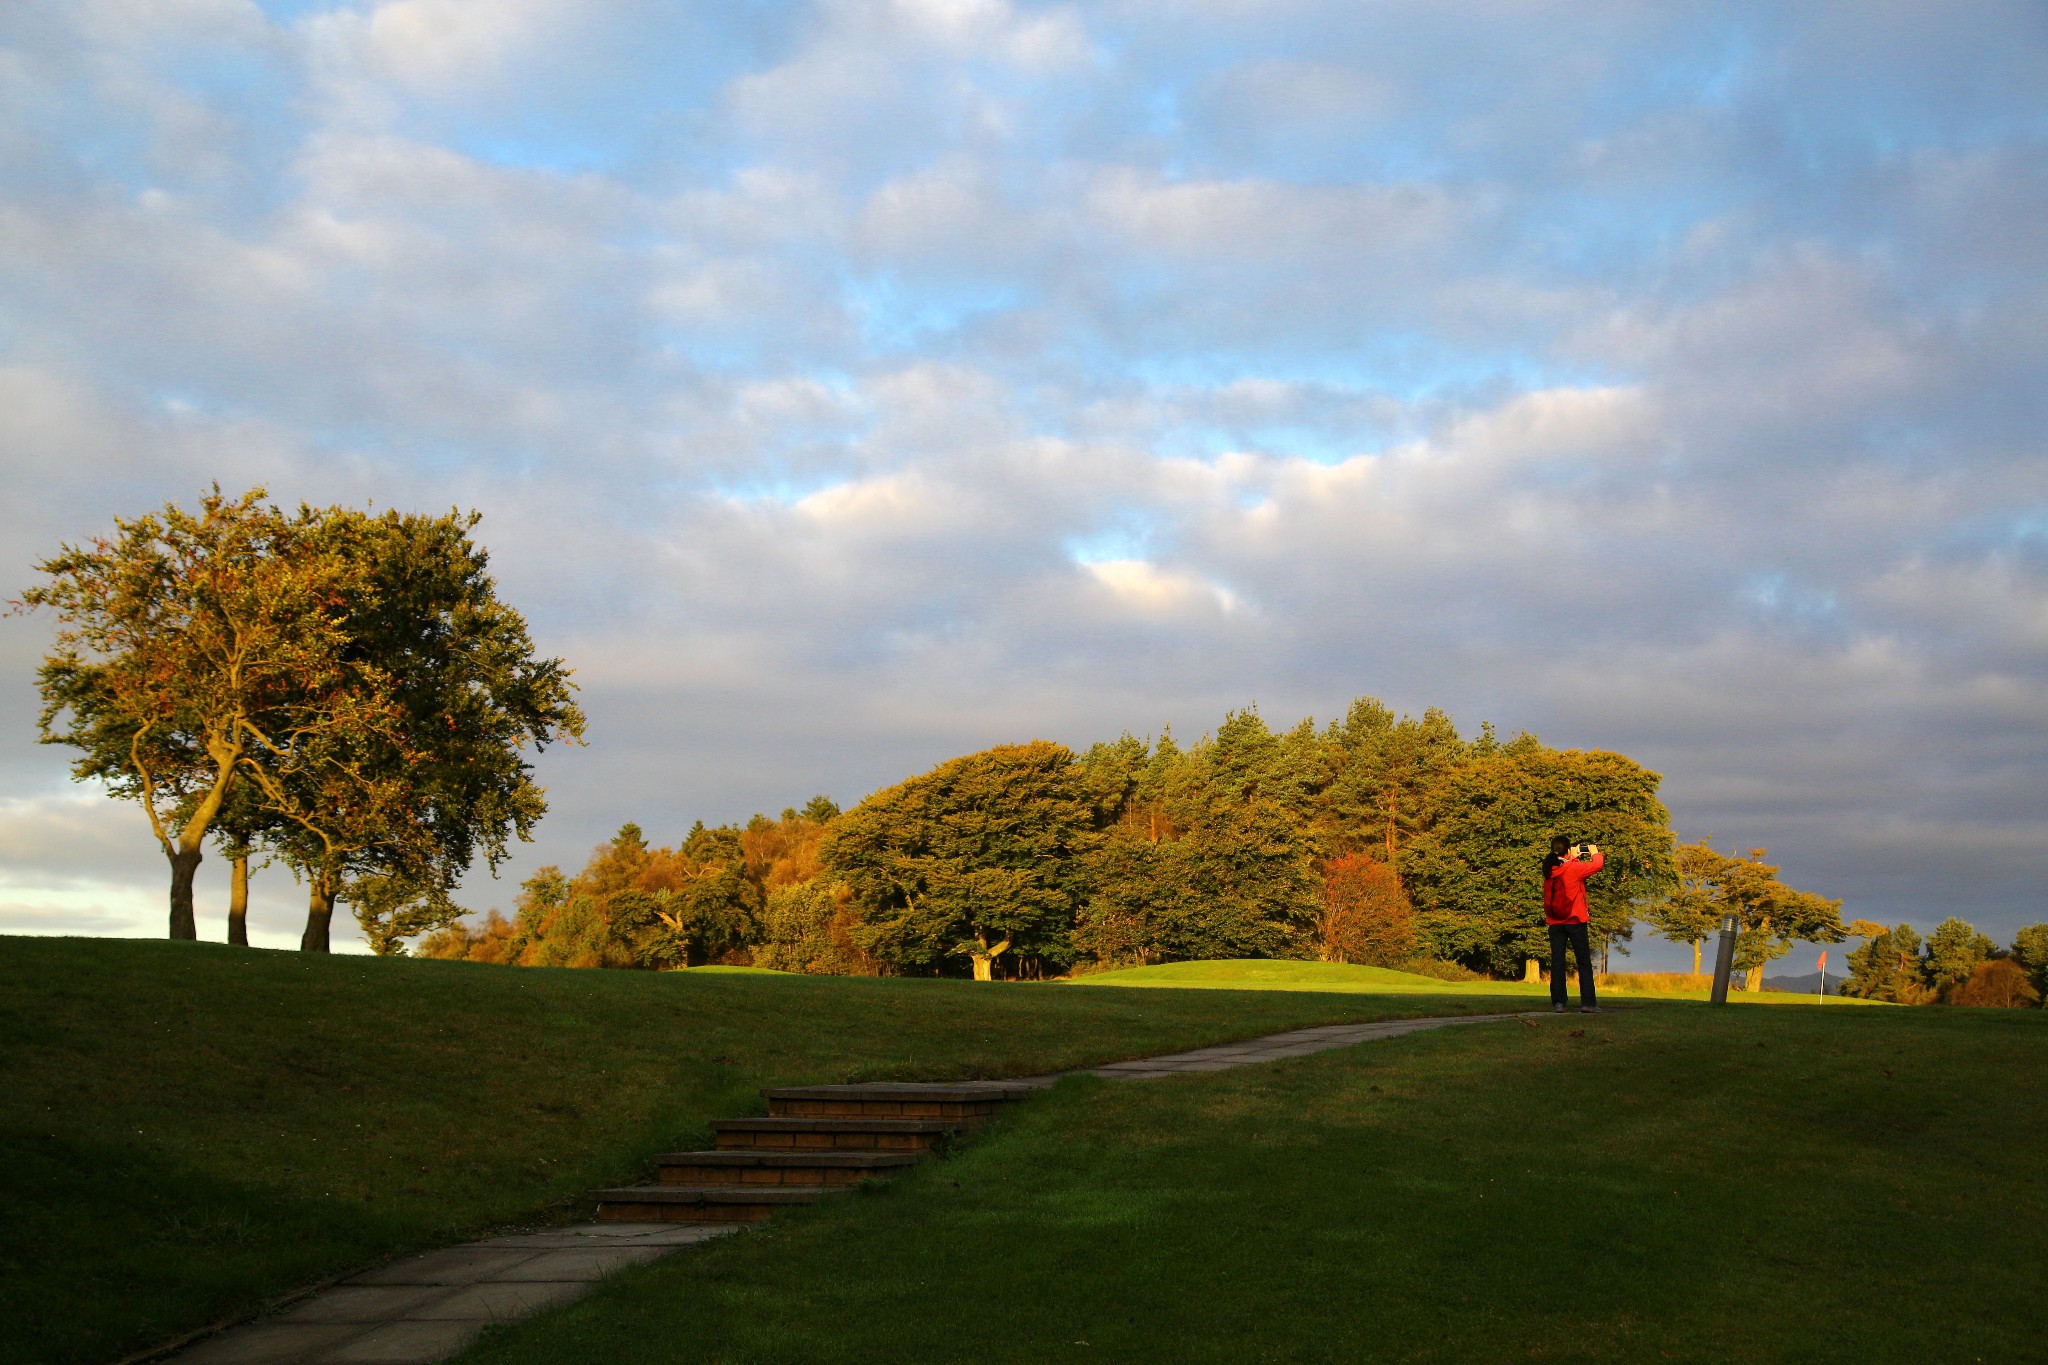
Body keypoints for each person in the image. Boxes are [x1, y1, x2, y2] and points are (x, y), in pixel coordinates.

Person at [1542, 835, 1603, 1013]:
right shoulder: (1574, 868)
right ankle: (1588, 1003)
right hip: (1575, 919)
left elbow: (1563, 867)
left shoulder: (1549, 869)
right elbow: (1597, 865)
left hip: (1554, 922)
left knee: (1557, 962)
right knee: (1583, 962)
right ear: (1567, 850)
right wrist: (1594, 852)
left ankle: (1559, 1003)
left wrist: (1572, 856)